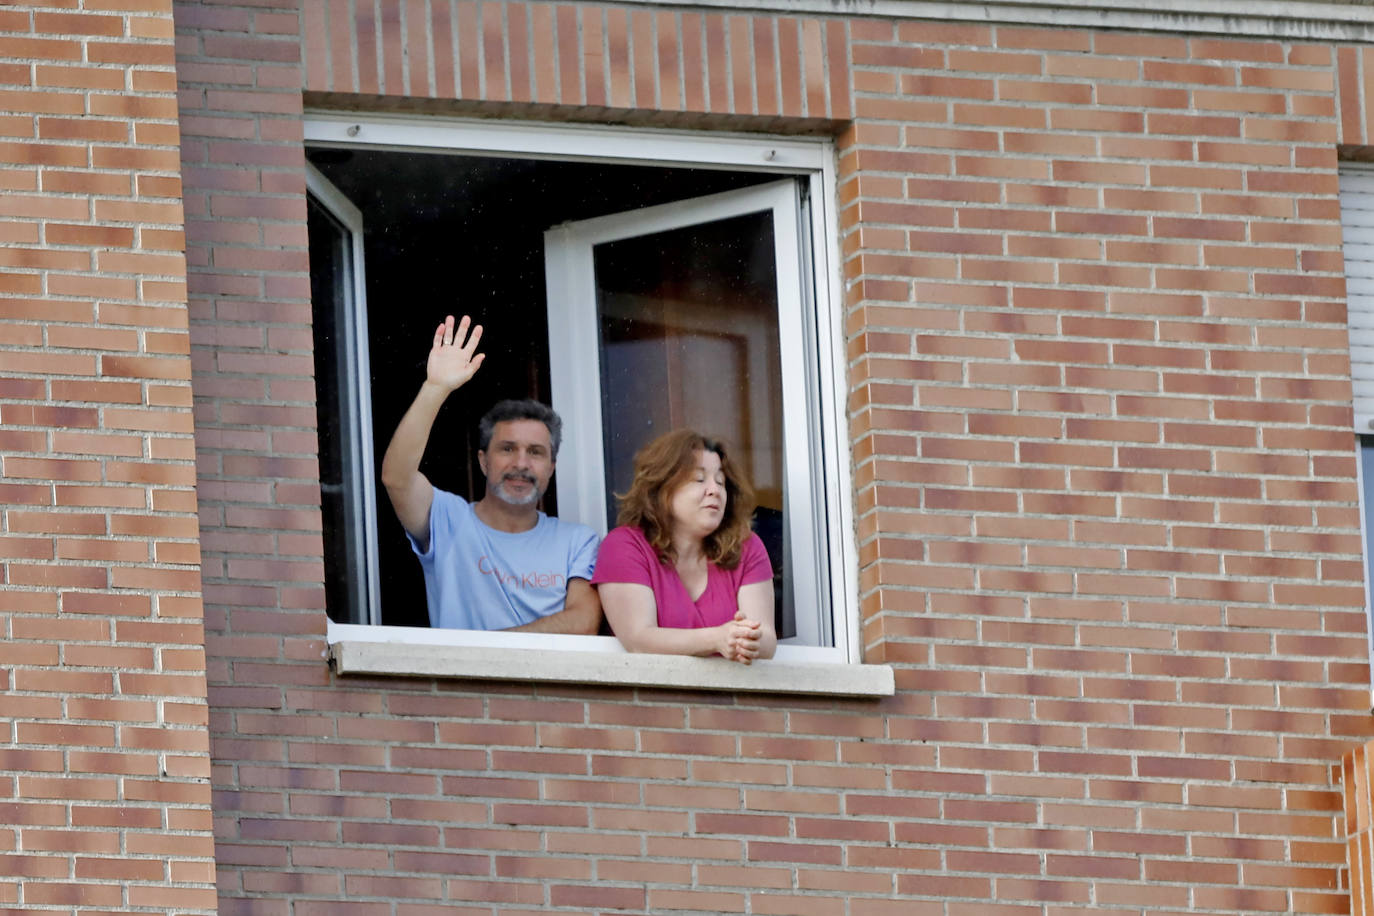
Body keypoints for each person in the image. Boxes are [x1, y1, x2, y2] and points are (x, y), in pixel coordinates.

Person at [380, 314, 601, 633]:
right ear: (483, 461)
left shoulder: (577, 541)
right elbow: (396, 477)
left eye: (535, 452)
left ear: (551, 468)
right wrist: (435, 388)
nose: (522, 464)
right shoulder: (448, 519)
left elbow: (583, 623)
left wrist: (487, 652)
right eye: (507, 449)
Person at [592, 429, 777, 664]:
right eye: (699, 479)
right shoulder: (624, 546)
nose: (715, 490)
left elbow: (768, 641)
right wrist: (717, 639)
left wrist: (748, 639)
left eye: (720, 482)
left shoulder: (746, 546)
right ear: (661, 488)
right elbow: (638, 639)